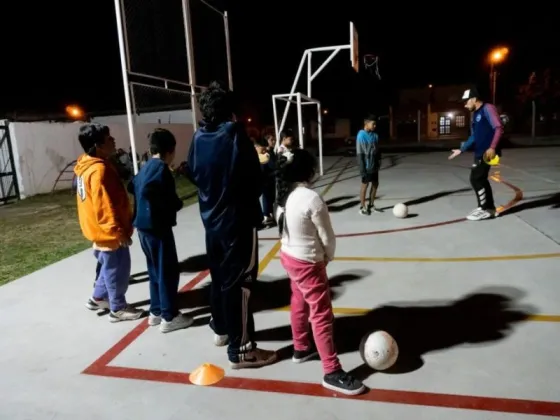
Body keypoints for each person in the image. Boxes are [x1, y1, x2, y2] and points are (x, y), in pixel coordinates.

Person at [186, 81, 277, 369]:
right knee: (240, 284)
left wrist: (213, 193)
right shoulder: (234, 135)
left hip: (211, 222)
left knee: (220, 278)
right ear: (230, 111)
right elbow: (255, 180)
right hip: (237, 223)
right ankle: (242, 350)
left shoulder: (198, 136)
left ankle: (222, 328)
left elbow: (192, 172)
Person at [276, 148, 366, 396]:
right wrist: (327, 257)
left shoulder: (285, 195)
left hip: (289, 257)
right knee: (322, 314)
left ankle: (301, 347)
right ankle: (331, 370)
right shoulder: (311, 198)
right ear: (311, 172)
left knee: (299, 300)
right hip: (307, 263)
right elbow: (327, 236)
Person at [75, 123, 143, 322]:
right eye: (109, 138)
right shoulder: (98, 171)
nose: (113, 140)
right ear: (98, 145)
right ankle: (118, 308)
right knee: (117, 270)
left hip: (97, 229)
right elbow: (103, 205)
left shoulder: (85, 164)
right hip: (108, 232)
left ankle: (98, 297)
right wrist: (117, 231)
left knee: (107, 267)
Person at [128, 128, 193, 333]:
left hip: (143, 228)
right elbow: (150, 190)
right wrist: (172, 203)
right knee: (167, 271)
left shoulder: (146, 167)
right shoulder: (160, 169)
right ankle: (169, 316)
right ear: (170, 150)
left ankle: (155, 311)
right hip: (157, 228)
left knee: (155, 270)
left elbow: (133, 186)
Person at [449, 87, 504, 221]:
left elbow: (498, 128)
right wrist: (461, 149)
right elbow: (474, 137)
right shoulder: (475, 115)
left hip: (488, 153)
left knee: (476, 178)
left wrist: (492, 147)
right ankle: (489, 208)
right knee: (480, 178)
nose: (465, 104)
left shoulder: (488, 108)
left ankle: (484, 209)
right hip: (480, 152)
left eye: (466, 101)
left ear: (474, 99)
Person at [356, 115, 381, 215]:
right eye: (373, 123)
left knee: (375, 185)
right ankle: (362, 207)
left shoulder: (375, 135)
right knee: (364, 186)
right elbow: (359, 153)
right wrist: (362, 169)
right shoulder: (361, 135)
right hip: (366, 166)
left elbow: (377, 151)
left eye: (375, 124)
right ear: (366, 123)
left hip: (374, 166)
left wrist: (379, 161)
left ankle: (371, 204)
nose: (375, 125)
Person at [256, 137, 277, 226]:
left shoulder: (266, 155)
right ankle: (265, 215)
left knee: (269, 196)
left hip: (268, 179)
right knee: (265, 197)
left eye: (265, 148)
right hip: (261, 181)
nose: (264, 150)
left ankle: (268, 214)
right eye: (262, 148)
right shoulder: (253, 156)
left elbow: (271, 166)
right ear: (256, 146)